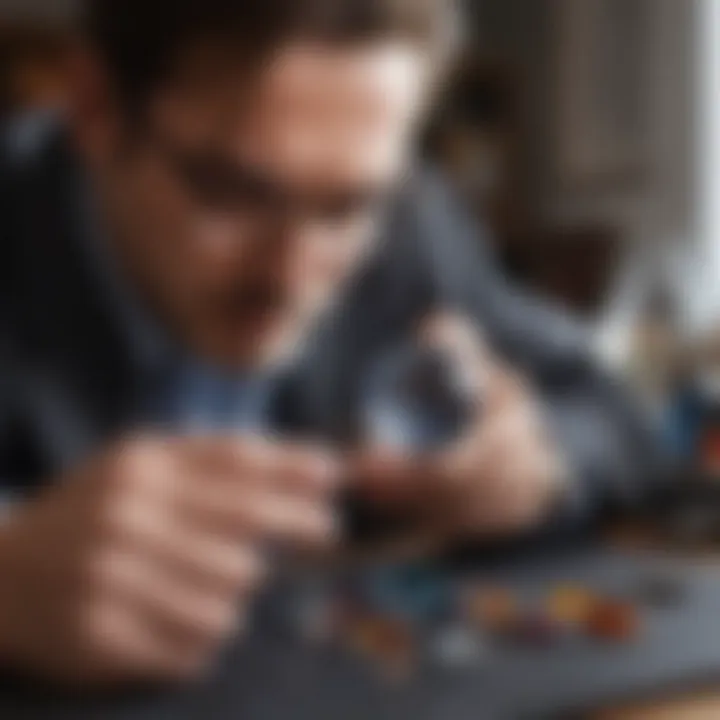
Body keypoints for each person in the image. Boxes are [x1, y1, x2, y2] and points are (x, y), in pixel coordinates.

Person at [0, 0, 662, 687]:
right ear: (94, 107)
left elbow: (611, 410)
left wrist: (534, 464)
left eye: (345, 210)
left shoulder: (408, 225)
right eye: (234, 194)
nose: (290, 277)